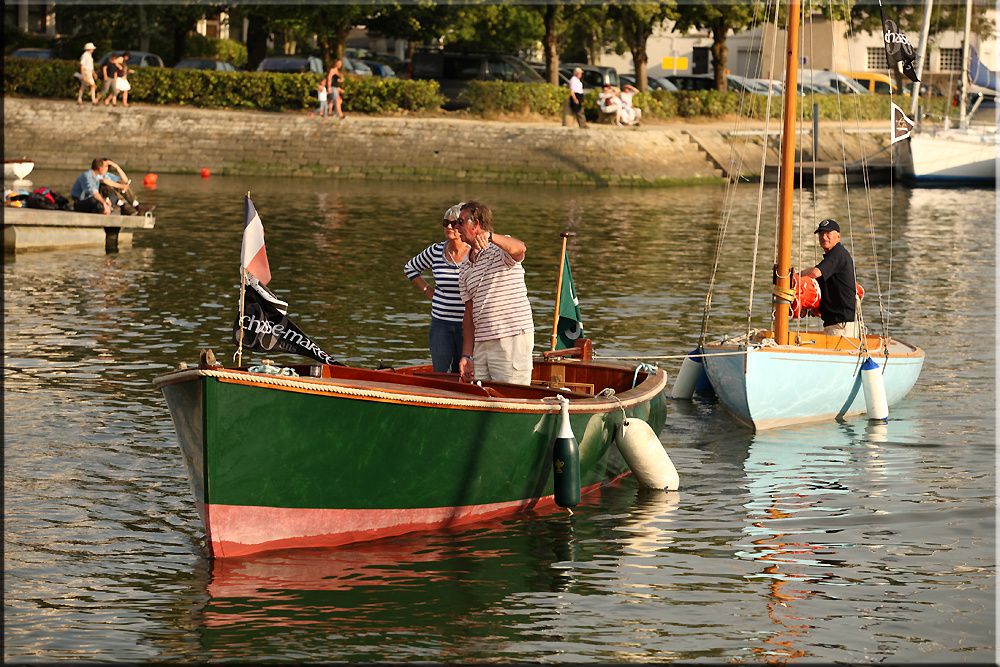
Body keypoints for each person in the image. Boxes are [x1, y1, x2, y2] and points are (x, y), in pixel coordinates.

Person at [456, 201, 534, 385]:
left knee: (512, 397)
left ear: (475, 224)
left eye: (461, 222)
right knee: (483, 397)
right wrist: (467, 354)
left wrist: (490, 237)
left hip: (511, 338)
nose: (456, 226)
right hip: (482, 343)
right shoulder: (464, 267)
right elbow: (469, 313)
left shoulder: (500, 247)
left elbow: (520, 248)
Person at [403, 202, 471, 373]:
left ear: (463, 225)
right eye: (445, 223)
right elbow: (410, 268)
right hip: (440, 322)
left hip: (468, 325)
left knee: (462, 372)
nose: (448, 226)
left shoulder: (474, 253)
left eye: (453, 223)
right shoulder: (436, 251)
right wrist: (428, 291)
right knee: (440, 371)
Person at [799, 218, 860, 337]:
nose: (824, 237)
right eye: (821, 233)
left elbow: (815, 273)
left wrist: (797, 279)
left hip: (841, 327)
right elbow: (819, 281)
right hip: (834, 324)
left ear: (838, 236)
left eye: (828, 233)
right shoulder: (831, 259)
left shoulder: (837, 253)